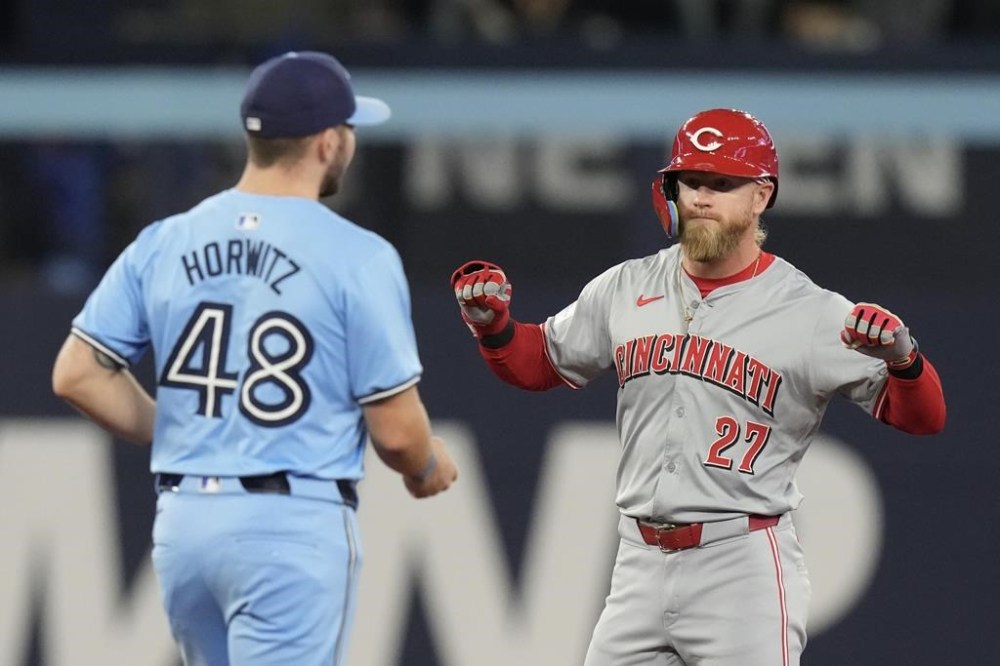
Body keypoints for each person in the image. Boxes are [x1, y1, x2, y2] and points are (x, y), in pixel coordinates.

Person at [450, 108, 945, 665]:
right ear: (671, 190)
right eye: (692, 181)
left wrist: (904, 362)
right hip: (638, 560)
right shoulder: (627, 285)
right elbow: (540, 361)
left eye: (723, 183)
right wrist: (492, 327)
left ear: (761, 196)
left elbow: (923, 417)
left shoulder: (809, 311)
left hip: (741, 565)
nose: (702, 197)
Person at [52, 50, 458, 666]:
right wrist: (426, 466)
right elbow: (399, 435)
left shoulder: (167, 238)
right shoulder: (356, 254)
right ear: (327, 144)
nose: (350, 142)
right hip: (288, 527)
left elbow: (78, 374)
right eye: (348, 130)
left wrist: (194, 431)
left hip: (186, 523)